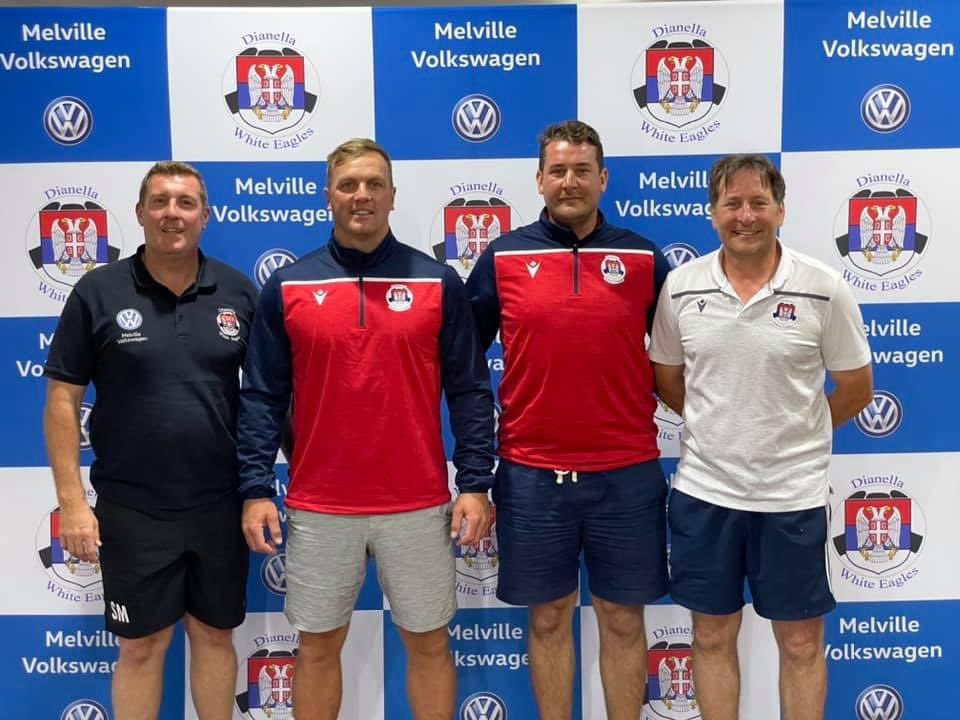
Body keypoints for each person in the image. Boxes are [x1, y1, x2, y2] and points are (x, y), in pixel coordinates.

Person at [238, 138, 495, 720]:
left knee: (429, 643)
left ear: (393, 196)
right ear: (328, 194)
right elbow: (261, 395)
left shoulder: (437, 283)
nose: (362, 196)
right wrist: (255, 488)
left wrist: (475, 482)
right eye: (349, 184)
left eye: (374, 184)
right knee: (318, 646)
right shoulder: (290, 285)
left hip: (418, 502)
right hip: (321, 504)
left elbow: (471, 391)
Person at [649, 154, 873, 720]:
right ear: (711, 213)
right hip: (705, 496)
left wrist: (793, 433)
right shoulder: (681, 286)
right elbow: (670, 381)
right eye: (732, 204)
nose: (745, 216)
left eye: (758, 203)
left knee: (799, 644)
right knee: (711, 638)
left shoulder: (824, 288)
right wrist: (720, 429)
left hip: (792, 499)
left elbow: (855, 389)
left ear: (781, 209)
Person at [466, 120, 671, 720]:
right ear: (538, 180)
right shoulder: (503, 256)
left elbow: (677, 356)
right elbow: (463, 368)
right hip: (531, 474)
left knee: (621, 617)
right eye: (557, 170)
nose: (569, 181)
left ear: (603, 179)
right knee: (550, 616)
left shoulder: (641, 257)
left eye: (582, 170)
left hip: (627, 471)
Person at [43, 161, 258, 720]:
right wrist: (72, 504)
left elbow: (267, 399)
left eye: (186, 203)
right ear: (139, 213)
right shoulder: (98, 290)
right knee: (141, 646)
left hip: (219, 503)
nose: (172, 213)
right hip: (132, 506)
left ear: (206, 216)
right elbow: (63, 400)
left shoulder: (237, 291)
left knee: (214, 636)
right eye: (159, 202)